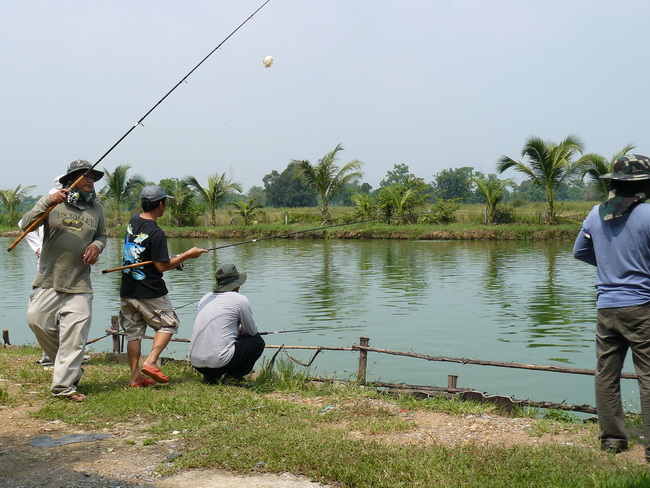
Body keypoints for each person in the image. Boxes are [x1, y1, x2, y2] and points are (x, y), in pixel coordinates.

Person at [573, 153, 650, 461]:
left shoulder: (596, 214)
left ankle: (613, 442)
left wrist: (607, 265)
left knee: (606, 373)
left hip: (606, 307)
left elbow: (580, 251)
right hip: (642, 307)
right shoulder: (647, 215)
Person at [21, 160, 107, 401]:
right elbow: (26, 224)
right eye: (85, 176)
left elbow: (102, 236)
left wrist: (96, 246)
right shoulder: (52, 202)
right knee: (37, 320)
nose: (90, 180)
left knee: (75, 336)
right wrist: (49, 203)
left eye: (93, 177)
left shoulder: (97, 209)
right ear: (71, 180)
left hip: (79, 283)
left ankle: (64, 386)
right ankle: (71, 368)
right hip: (48, 277)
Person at [119, 185, 207, 387]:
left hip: (127, 288)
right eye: (164, 202)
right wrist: (187, 255)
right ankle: (150, 362)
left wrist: (172, 259)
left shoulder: (133, 221)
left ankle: (135, 377)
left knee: (134, 332)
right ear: (160, 204)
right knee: (169, 324)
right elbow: (160, 266)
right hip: (149, 290)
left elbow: (148, 255)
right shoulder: (156, 232)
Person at [189, 263, 265, 386]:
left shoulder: (205, 298)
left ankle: (210, 377)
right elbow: (251, 332)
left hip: (196, 363)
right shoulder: (240, 300)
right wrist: (240, 330)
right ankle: (234, 377)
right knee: (257, 342)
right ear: (236, 284)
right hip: (219, 364)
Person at [19, 175, 64, 367]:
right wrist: (38, 248)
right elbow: (24, 224)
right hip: (46, 267)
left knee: (68, 312)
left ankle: (70, 352)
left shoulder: (76, 202)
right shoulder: (51, 200)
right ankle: (50, 355)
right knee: (43, 313)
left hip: (70, 267)